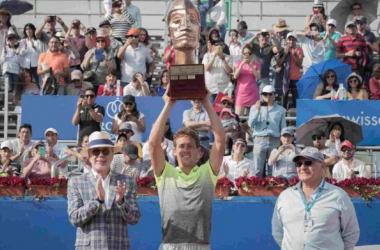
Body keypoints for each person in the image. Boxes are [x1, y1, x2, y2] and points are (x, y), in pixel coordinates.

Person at [149, 85, 225, 250]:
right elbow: (153, 143)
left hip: (201, 246)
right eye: (181, 146)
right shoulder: (165, 173)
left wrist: (206, 101)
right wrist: (168, 104)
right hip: (170, 245)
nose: (185, 150)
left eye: (190, 146)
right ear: (174, 151)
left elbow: (220, 141)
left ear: (199, 151)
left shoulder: (207, 172)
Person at [272, 147, 360, 250]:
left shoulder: (338, 195)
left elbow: (351, 233)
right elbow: (277, 232)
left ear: (322, 166)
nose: (303, 167)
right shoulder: (285, 196)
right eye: (299, 164)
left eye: (308, 163)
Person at [67, 131, 141, 249]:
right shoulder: (76, 182)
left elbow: (135, 218)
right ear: (90, 155)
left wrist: (122, 202)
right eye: (96, 151)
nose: (101, 155)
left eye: (105, 151)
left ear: (112, 154)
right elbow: (74, 219)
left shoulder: (127, 181)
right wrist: (97, 201)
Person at [248, 85, 286, 177]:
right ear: (262, 95)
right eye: (265, 94)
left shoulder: (280, 109)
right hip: (260, 139)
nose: (267, 96)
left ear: (274, 95)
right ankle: (257, 189)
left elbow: (283, 127)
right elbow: (250, 124)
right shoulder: (254, 107)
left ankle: (271, 190)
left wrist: (283, 142)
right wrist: (257, 110)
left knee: (272, 170)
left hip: (274, 139)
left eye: (270, 94)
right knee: (257, 169)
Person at [276, 32, 304, 109]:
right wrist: (285, 54)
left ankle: (294, 119)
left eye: (293, 40)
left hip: (295, 79)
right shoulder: (283, 50)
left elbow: (300, 64)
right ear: (286, 40)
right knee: (283, 102)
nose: (291, 42)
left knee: (296, 101)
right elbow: (279, 63)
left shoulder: (299, 49)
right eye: (289, 39)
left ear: (295, 41)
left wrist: (294, 55)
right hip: (285, 79)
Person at [203, 37, 232, 102]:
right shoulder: (207, 56)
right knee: (210, 110)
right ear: (213, 46)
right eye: (216, 45)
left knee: (221, 110)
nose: (218, 46)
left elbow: (228, 71)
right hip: (210, 89)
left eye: (220, 45)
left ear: (224, 46)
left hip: (223, 89)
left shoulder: (228, 57)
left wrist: (222, 58)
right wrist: (214, 56)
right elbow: (207, 68)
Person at [234, 45, 261, 115]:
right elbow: (235, 76)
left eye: (248, 53)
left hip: (252, 92)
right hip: (241, 92)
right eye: (244, 53)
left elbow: (258, 77)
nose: (246, 55)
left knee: (252, 117)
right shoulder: (238, 64)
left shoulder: (256, 64)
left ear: (251, 54)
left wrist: (251, 66)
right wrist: (242, 64)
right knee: (238, 116)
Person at [356, 16, 379, 86]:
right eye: (357, 23)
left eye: (361, 23)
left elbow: (377, 49)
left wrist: (369, 44)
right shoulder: (354, 34)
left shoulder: (370, 35)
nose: (359, 25)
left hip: (368, 63)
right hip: (357, 63)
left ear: (365, 24)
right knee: (357, 82)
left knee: (367, 83)